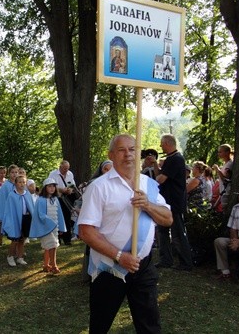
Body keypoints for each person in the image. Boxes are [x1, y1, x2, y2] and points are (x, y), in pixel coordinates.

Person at [78, 134, 172, 333]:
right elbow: (86, 231)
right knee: (100, 325)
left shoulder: (148, 185)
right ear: (111, 155)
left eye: (132, 149)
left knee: (150, 325)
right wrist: (120, 256)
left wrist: (147, 205)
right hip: (110, 267)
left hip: (143, 266)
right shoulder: (99, 187)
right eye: (121, 150)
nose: (128, 154)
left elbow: (168, 218)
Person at [152, 134, 194, 271]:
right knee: (162, 231)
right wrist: (154, 163)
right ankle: (166, 259)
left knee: (177, 233)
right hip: (167, 202)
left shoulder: (175, 159)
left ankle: (186, 262)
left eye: (161, 143)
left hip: (174, 202)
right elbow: (159, 175)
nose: (160, 146)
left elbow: (160, 179)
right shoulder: (171, 159)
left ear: (168, 143)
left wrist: (148, 185)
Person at [30, 178, 66, 274]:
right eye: (49, 186)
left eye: (53, 186)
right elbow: (40, 214)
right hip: (45, 227)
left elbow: (59, 214)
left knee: (49, 246)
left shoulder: (55, 200)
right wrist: (49, 223)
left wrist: (60, 227)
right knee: (52, 245)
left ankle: (46, 265)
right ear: (45, 188)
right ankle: (54, 265)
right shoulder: (40, 200)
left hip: (54, 227)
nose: (52, 188)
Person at [2, 175, 34, 267]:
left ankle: (20, 257)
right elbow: (9, 210)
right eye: (19, 182)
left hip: (26, 218)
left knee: (22, 239)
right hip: (15, 219)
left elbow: (30, 206)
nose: (22, 184)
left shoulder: (27, 194)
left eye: (24, 182)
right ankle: (10, 256)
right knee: (15, 239)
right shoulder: (12, 195)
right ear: (15, 184)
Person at [48, 160, 77, 245]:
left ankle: (67, 239)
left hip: (67, 198)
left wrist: (70, 190)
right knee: (57, 217)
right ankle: (57, 238)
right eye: (64, 169)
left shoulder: (70, 174)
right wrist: (61, 189)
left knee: (67, 218)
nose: (66, 170)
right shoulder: (53, 174)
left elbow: (72, 185)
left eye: (67, 169)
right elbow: (50, 186)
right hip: (57, 198)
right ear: (60, 167)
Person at [212, 144, 234, 209]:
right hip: (223, 193)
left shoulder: (230, 164)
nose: (218, 154)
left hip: (227, 194)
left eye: (220, 152)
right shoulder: (225, 164)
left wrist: (217, 170)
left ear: (227, 152)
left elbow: (225, 180)